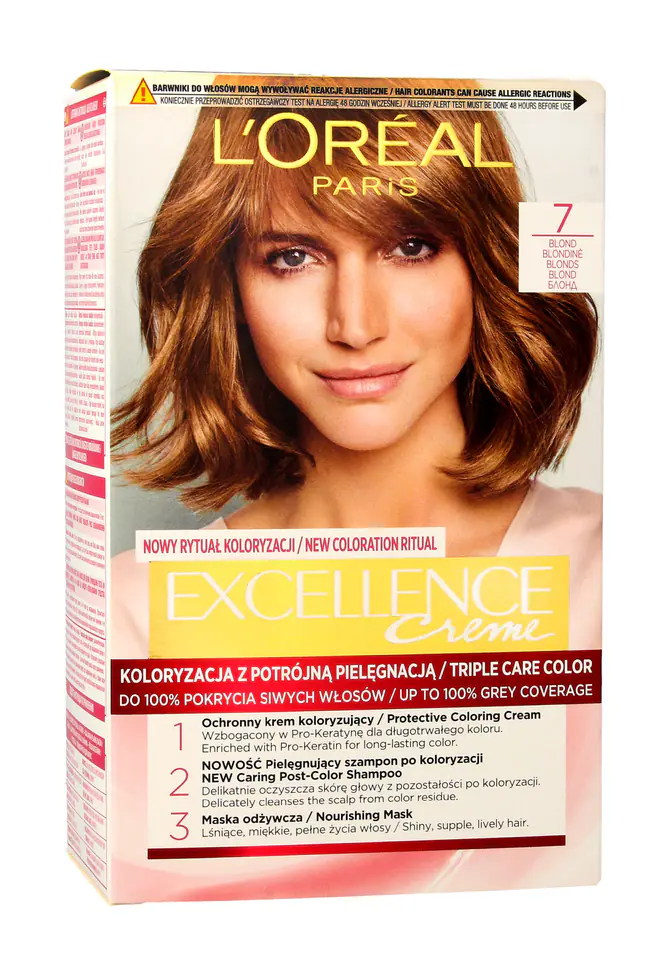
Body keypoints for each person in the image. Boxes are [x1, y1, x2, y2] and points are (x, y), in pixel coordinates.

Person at [109, 100, 601, 900]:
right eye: (291, 258)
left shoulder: (616, 569)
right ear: (227, 287)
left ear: (490, 260)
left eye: (411, 246)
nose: (355, 324)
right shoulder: (135, 617)